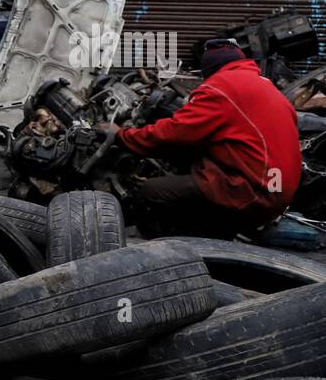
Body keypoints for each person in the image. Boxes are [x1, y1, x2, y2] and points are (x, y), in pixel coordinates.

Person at [98, 39, 301, 238]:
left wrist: (122, 135)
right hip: (277, 188)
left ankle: (167, 255)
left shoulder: (220, 87)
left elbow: (173, 133)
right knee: (190, 166)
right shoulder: (264, 85)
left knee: (149, 193)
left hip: (254, 191)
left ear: (210, 70)